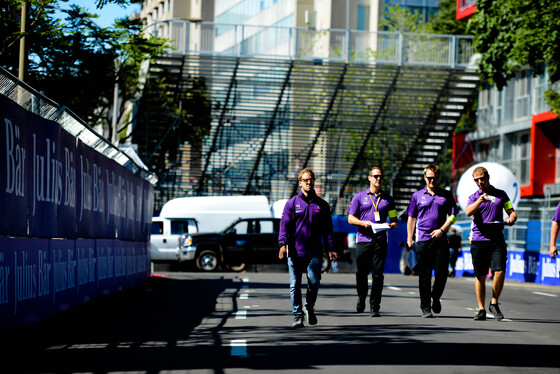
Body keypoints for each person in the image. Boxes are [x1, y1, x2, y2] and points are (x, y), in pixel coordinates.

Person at [278, 168, 338, 328]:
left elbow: (328, 230)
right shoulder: (291, 204)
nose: (309, 182)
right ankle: (298, 316)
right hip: (295, 252)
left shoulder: (322, 205)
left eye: (311, 179)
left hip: (315, 252)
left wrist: (331, 248)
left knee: (314, 283)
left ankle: (309, 307)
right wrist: (282, 245)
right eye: (305, 180)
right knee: (294, 285)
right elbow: (284, 226)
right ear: (300, 183)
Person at [465, 166, 517, 321]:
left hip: (497, 239)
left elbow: (511, 211)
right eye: (476, 180)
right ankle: (481, 309)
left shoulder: (501, 194)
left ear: (488, 177)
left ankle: (494, 302)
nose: (480, 182)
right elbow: (468, 212)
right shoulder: (474, 197)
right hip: (479, 240)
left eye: (482, 178)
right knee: (480, 275)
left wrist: (512, 218)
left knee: (500, 270)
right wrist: (480, 200)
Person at [406, 164, 458, 318]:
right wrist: (409, 238)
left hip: (441, 240)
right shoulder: (417, 196)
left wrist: (442, 230)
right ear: (425, 178)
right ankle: (425, 307)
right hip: (422, 240)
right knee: (425, 275)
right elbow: (411, 218)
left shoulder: (446, 195)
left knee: (442, 273)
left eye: (435, 178)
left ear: (438, 178)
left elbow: (454, 215)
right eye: (429, 178)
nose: (432, 181)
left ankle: (436, 296)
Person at [348, 166, 398, 317]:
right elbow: (351, 218)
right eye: (375, 176)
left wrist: (390, 225)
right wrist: (363, 223)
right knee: (361, 273)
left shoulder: (388, 199)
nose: (378, 179)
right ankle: (361, 297)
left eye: (381, 176)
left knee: (378, 274)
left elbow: (394, 221)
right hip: (363, 240)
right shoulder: (359, 197)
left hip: (380, 241)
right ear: (369, 178)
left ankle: (374, 305)